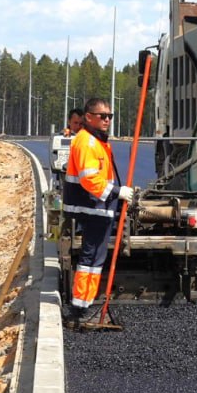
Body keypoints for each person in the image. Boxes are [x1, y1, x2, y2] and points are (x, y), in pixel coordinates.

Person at [61, 98, 133, 326]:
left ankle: (84, 303)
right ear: (88, 117)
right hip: (91, 207)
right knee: (90, 258)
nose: (107, 120)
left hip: (98, 207)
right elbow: (89, 178)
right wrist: (117, 192)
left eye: (109, 116)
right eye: (102, 116)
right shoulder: (87, 142)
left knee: (95, 258)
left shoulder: (97, 141)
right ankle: (79, 307)